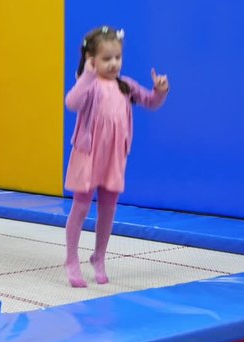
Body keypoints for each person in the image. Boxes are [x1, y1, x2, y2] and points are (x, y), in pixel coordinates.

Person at [64, 25, 169, 287]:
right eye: (106, 59)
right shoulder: (88, 85)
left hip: (114, 155)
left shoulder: (125, 85)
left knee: (108, 208)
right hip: (88, 154)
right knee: (81, 206)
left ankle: (99, 257)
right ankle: (71, 259)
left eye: (117, 58)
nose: (113, 64)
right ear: (92, 59)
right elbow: (71, 103)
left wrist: (159, 91)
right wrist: (87, 75)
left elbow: (150, 102)